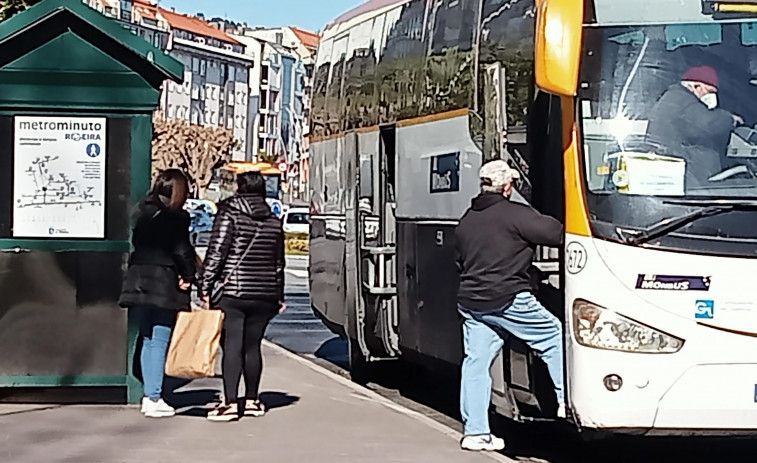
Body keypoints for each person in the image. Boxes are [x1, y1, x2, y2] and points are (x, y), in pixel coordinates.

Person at [455, 160, 564, 452]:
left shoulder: (466, 220)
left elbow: (461, 262)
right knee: (554, 336)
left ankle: (476, 431)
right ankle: (568, 400)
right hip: (508, 298)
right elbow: (556, 233)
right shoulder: (516, 214)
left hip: (472, 303)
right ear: (507, 187)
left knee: (476, 363)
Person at [200, 171, 286, 422]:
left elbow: (217, 253)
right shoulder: (273, 220)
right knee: (252, 346)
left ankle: (229, 403)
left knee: (232, 347)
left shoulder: (229, 214)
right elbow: (279, 262)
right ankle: (252, 400)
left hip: (232, 293)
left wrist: (205, 287)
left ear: (239, 188)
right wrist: (278, 295)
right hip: (264, 293)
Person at [119, 169, 196, 418]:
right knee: (159, 338)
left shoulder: (142, 211)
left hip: (139, 277)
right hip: (163, 281)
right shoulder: (176, 218)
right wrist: (189, 275)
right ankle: (154, 396)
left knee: (148, 336)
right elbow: (182, 250)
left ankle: (149, 394)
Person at [645, 65, 743, 184]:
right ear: (696, 86)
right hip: (691, 179)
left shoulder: (674, 97)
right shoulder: (684, 100)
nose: (712, 96)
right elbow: (708, 124)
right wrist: (730, 119)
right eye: (709, 91)